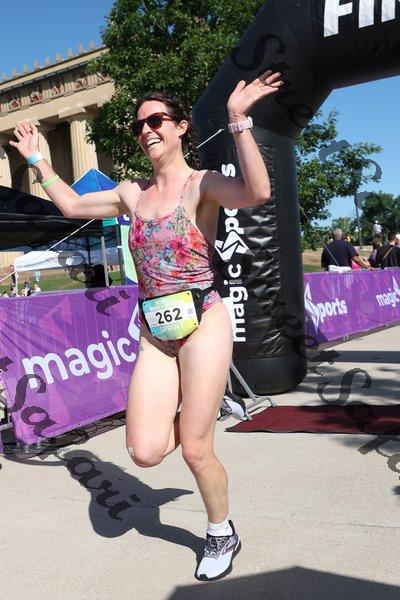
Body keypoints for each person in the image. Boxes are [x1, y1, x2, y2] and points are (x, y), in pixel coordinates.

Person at [10, 69, 284, 581]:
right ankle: (198, 403)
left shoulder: (202, 184)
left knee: (196, 447)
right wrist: (35, 158)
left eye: (156, 120)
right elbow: (70, 205)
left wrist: (238, 119)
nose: (146, 130)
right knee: (145, 452)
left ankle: (221, 531)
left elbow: (257, 191)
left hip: (203, 321)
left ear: (180, 127)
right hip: (155, 333)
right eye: (140, 124)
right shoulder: (131, 193)